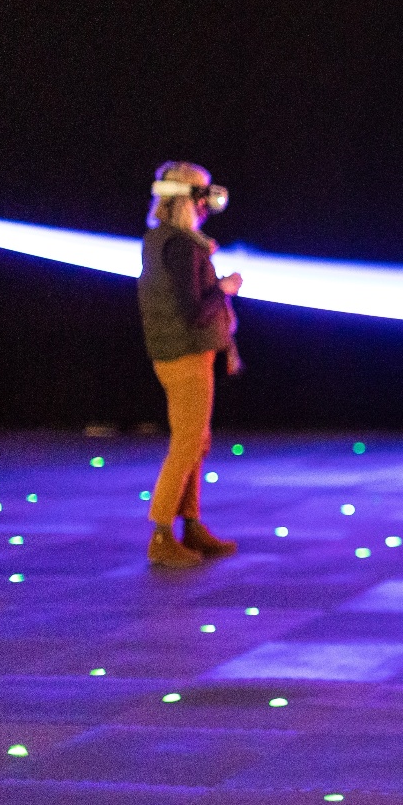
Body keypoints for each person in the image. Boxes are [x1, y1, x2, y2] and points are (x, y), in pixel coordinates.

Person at [137, 161, 242, 567]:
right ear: (187, 199)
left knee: (196, 441)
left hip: (183, 352)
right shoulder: (181, 247)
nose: (206, 203)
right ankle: (162, 534)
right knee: (186, 444)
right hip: (184, 355)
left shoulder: (165, 241)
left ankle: (191, 524)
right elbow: (193, 309)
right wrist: (226, 288)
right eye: (201, 195)